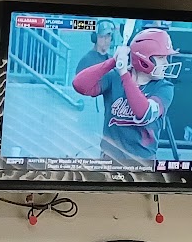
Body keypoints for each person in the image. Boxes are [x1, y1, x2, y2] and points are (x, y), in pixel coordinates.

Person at [70, 25, 182, 164]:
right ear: (143, 60)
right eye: (161, 57)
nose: (166, 63)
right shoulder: (114, 78)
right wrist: (113, 61)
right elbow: (79, 85)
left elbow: (144, 113)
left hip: (142, 165)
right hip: (109, 162)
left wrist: (124, 74)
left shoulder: (164, 87)